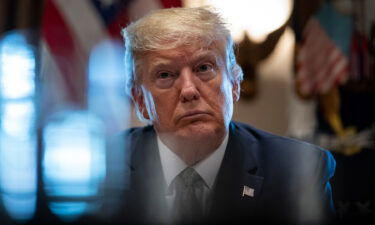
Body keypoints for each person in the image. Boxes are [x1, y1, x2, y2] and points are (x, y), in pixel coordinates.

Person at [116, 6, 336, 225]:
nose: (189, 90)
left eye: (204, 68)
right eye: (165, 75)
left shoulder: (296, 171)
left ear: (234, 84)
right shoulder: (101, 169)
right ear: (140, 100)